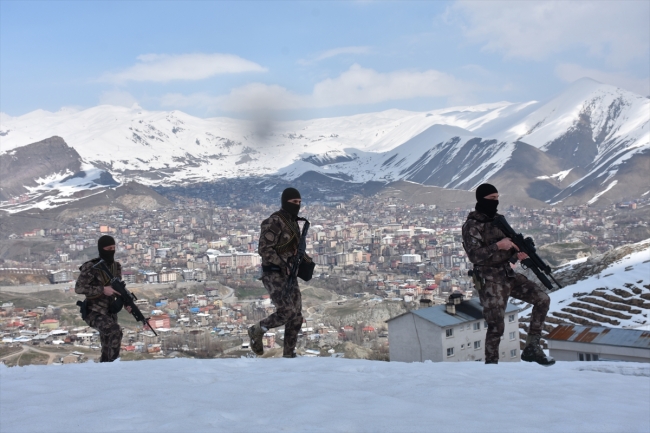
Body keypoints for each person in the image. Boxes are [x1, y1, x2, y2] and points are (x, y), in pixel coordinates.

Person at [462, 184, 555, 366]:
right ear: (480, 200)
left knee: (542, 299)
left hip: (507, 274)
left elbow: (510, 244)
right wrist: (498, 245)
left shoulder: (499, 220)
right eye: (491, 199)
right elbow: (475, 256)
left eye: (497, 198)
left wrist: (517, 254)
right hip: (489, 280)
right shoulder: (472, 226)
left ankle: (532, 347)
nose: (495, 202)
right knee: (496, 326)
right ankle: (492, 366)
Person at [248, 187, 305, 358]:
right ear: (285, 201)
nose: (297, 205)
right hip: (274, 273)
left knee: (296, 316)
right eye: (294, 202)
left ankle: (289, 354)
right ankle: (257, 330)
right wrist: (282, 264)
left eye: (299, 202)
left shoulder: (293, 222)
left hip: (289, 274)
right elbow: (264, 249)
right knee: (287, 311)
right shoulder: (274, 221)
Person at [75, 235, 129, 362]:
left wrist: (127, 302)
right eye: (108, 248)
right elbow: (79, 288)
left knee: (108, 344)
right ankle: (111, 366)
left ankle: (106, 368)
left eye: (113, 248)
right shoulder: (91, 266)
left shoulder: (116, 267)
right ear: (101, 249)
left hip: (109, 312)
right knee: (114, 330)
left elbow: (117, 289)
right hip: (93, 311)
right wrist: (102, 289)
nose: (111, 251)